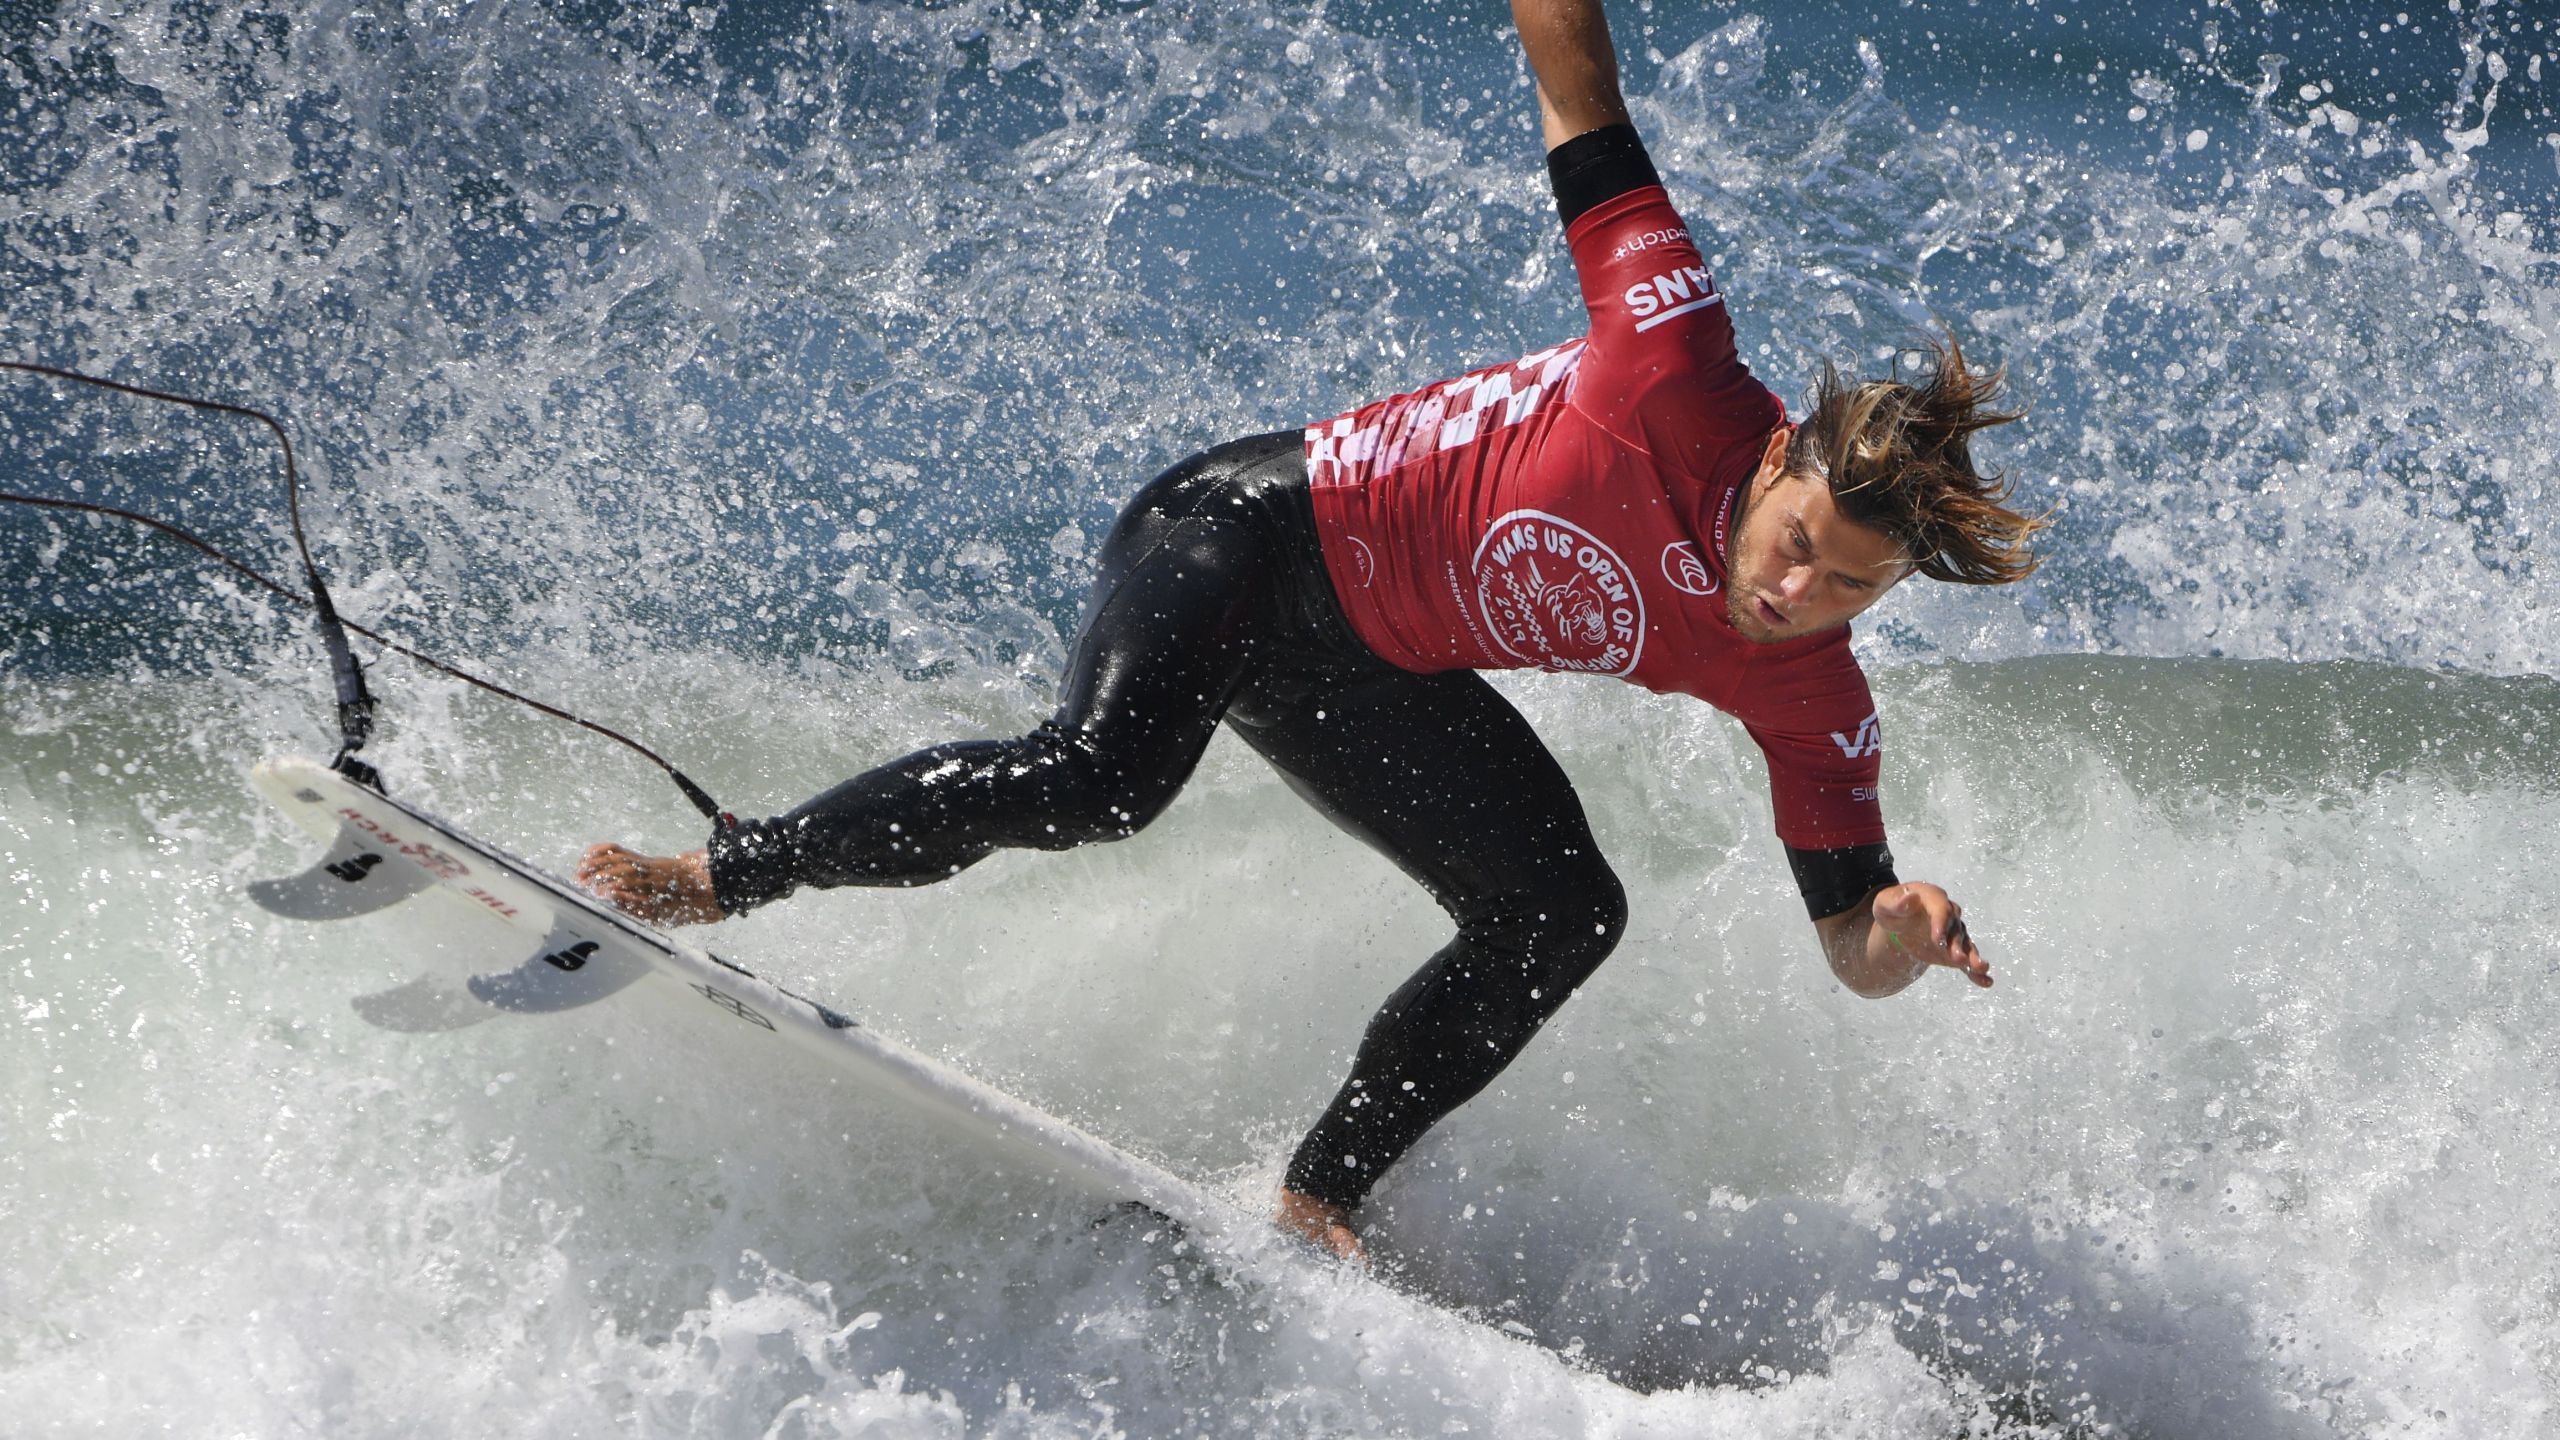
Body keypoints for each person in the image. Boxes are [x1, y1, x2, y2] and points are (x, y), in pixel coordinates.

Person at [578, 0, 2036, 1263]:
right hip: (1246, 536)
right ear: (1777, 461)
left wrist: (1898, 933)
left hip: (1365, 666)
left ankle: (1316, 1202)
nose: (1795, 597)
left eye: (1849, 589)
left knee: (1564, 914)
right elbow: (1580, 89)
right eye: (1797, 551)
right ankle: (723, 872)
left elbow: (1850, 941)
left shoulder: (1811, 694)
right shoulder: (1674, 362)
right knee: (1105, 781)